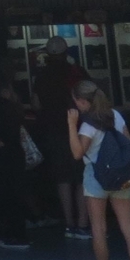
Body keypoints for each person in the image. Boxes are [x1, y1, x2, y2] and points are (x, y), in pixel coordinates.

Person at [68, 79, 130, 260]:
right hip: (121, 176)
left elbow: (77, 153)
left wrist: (71, 125)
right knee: (129, 227)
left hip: (96, 177)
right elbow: (127, 145)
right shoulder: (116, 116)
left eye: (76, 101)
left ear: (82, 101)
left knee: (98, 228)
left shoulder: (88, 125)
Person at [31, 39, 88, 240]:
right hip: (80, 130)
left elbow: (36, 104)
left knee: (62, 178)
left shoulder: (42, 76)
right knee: (82, 177)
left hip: (54, 131)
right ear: (66, 52)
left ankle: (69, 224)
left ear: (48, 54)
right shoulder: (77, 72)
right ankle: (82, 224)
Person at [0, 80, 33, 251]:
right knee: (17, 195)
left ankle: (6, 234)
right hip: (15, 155)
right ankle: (18, 234)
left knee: (2, 196)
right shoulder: (15, 108)